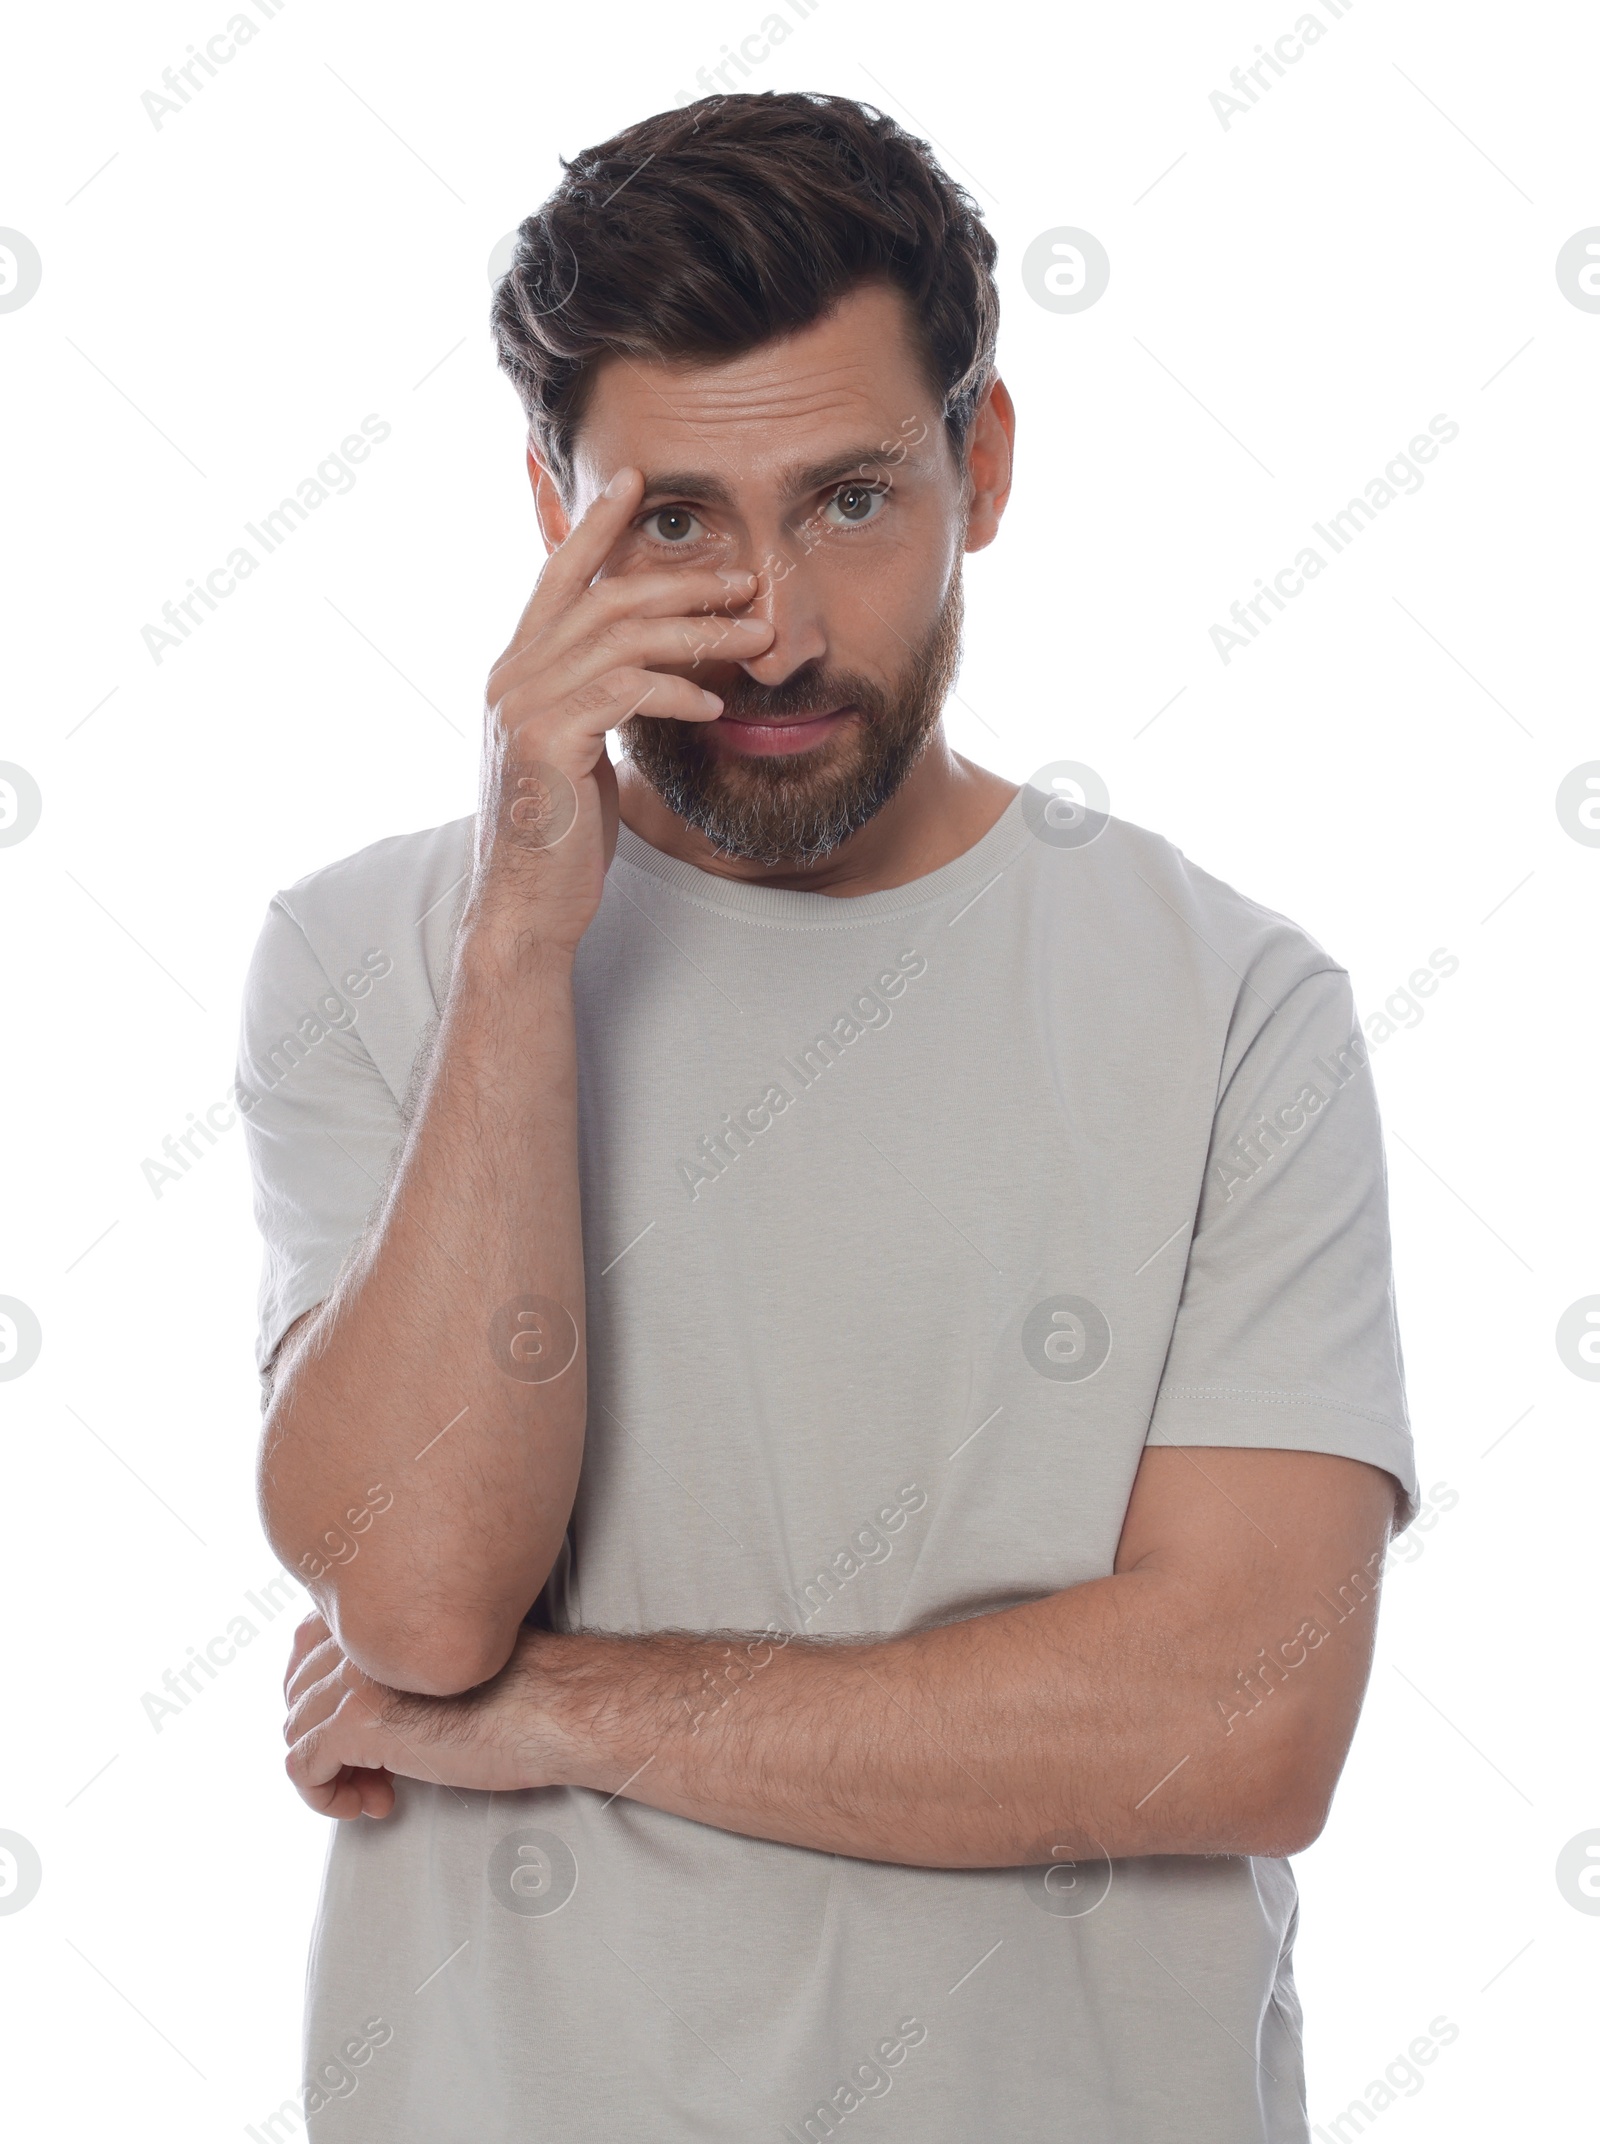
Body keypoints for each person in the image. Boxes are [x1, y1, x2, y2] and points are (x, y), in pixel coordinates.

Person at [240, 89, 1417, 2144]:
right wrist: (524, 930)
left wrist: (551, 1713)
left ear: (982, 464)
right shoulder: (379, 958)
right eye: (672, 518)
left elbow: (1236, 1716)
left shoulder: (1228, 1005)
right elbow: (418, 1599)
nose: (769, 624)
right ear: (550, 512)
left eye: (849, 501)